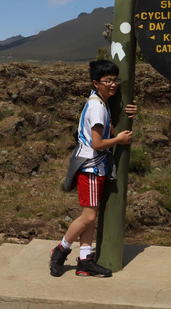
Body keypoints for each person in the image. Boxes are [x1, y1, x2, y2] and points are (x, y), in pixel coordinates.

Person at [49, 59, 138, 277]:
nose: (113, 85)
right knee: (88, 217)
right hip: (90, 168)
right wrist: (118, 140)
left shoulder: (100, 102)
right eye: (108, 81)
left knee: (90, 215)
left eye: (115, 80)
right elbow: (97, 144)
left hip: (95, 168)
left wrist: (132, 112)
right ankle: (61, 249)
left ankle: (84, 261)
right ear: (96, 83)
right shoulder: (98, 107)